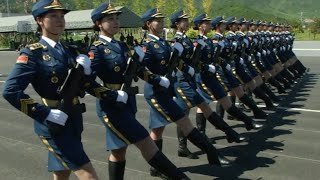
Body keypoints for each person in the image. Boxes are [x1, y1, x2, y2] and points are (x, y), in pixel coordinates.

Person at [1, 0, 115, 179]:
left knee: (62, 172)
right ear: (39, 20)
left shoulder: (71, 50)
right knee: (88, 174)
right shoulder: (33, 53)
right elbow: (10, 90)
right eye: (53, 16)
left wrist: (87, 72)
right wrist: (44, 113)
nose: (59, 20)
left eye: (61, 16)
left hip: (74, 118)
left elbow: (85, 84)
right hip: (54, 123)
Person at [89, 3, 189, 180]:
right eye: (110, 19)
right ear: (99, 23)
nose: (115, 22)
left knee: (119, 150)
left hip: (128, 101)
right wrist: (110, 94)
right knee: (145, 142)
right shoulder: (96, 49)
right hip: (112, 106)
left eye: (116, 18)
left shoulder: (122, 46)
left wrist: (158, 80)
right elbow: (86, 82)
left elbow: (139, 70)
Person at [140, 8, 232, 178]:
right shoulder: (146, 46)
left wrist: (182, 68)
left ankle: (156, 167)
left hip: (167, 88)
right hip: (155, 90)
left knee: (157, 128)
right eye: (157, 21)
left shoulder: (163, 42)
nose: (161, 23)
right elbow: (140, 69)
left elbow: (173, 63)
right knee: (183, 122)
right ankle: (212, 153)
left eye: (162, 20)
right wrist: (157, 79)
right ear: (148, 24)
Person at [169, 10, 247, 160]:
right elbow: (175, 61)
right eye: (183, 20)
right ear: (177, 24)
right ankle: (185, 146)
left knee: (187, 113)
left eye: (187, 19)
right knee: (185, 113)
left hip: (189, 79)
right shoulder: (176, 41)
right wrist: (187, 68)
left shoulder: (187, 40)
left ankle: (187, 146)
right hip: (182, 80)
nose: (186, 22)